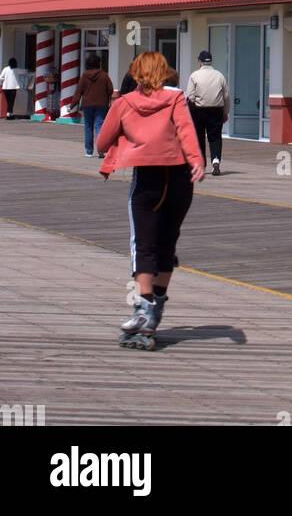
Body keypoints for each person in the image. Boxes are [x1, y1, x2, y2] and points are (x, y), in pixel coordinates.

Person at [96, 51, 204, 348]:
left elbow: (101, 142)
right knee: (167, 243)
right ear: (164, 72)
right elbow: (185, 130)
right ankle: (156, 309)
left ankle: (143, 310)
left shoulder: (124, 103)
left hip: (148, 179)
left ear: (135, 73)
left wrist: (124, 139)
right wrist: (196, 161)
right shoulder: (176, 98)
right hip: (181, 179)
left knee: (143, 244)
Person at [186, 51, 230, 176]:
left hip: (199, 110)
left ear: (200, 62)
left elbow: (190, 95)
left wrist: (194, 104)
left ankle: (201, 164)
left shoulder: (194, 75)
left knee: (199, 137)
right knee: (215, 137)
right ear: (210, 61)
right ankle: (215, 161)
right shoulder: (219, 75)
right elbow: (226, 96)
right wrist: (225, 112)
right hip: (216, 110)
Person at [69, 53, 114, 156]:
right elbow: (110, 89)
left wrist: (72, 105)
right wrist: (107, 97)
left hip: (87, 104)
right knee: (99, 126)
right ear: (98, 63)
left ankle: (89, 151)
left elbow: (78, 91)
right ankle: (101, 149)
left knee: (88, 126)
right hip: (102, 104)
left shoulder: (84, 76)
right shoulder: (104, 75)